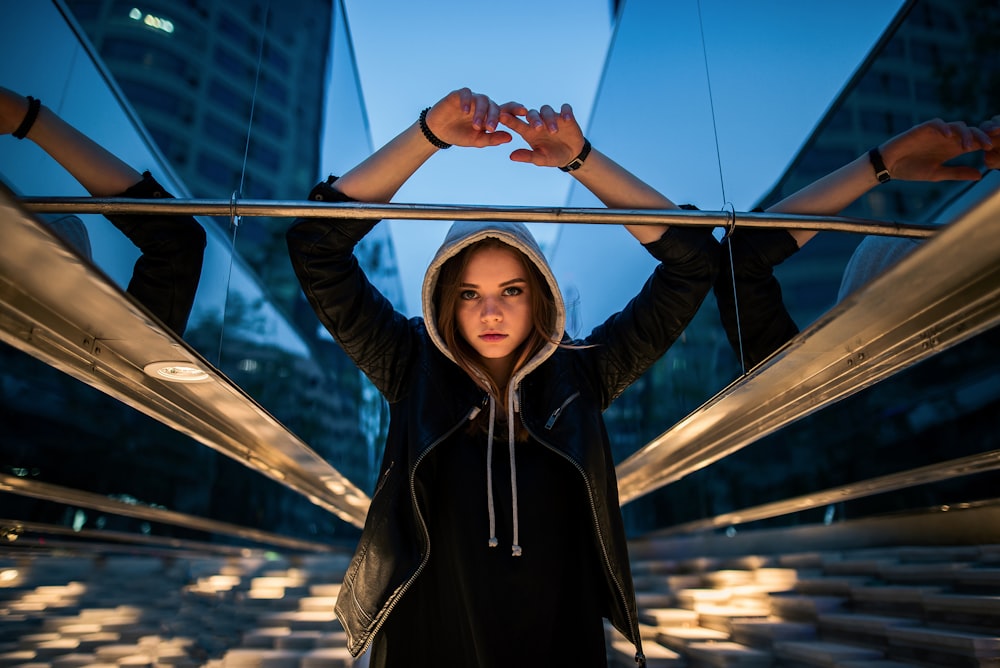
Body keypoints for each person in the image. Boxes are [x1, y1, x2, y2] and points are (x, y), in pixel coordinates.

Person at [286, 88, 721, 667]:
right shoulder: (410, 365)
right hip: (428, 638)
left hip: (557, 639)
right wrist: (429, 135)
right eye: (470, 295)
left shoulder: (584, 372)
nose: (491, 313)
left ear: (539, 293)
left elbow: (693, 263)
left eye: (511, 291)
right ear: (445, 300)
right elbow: (316, 245)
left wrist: (581, 160)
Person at [713, 116, 998, 370]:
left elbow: (741, 261)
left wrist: (883, 163)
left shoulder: (896, 253)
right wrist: (884, 163)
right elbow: (741, 260)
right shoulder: (895, 258)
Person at [0, 86, 206, 334]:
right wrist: (29, 120)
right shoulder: (58, 234)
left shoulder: (55, 235)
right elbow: (177, 243)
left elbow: (177, 242)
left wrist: (28, 119)